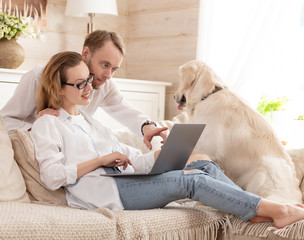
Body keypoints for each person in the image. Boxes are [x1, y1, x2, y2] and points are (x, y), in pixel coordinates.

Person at [29, 51, 304, 229]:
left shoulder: (90, 122)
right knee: (192, 181)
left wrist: (159, 156)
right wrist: (100, 160)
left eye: (88, 80)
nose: (90, 88)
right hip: (104, 193)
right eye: (79, 84)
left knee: (205, 168)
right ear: (58, 87)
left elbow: (131, 159)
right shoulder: (47, 123)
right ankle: (274, 210)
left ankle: (254, 210)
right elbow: (52, 176)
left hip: (124, 181)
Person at [0, 30, 167, 150]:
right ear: (86, 53)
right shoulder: (38, 77)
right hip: (44, 153)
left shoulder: (104, 83)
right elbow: (5, 121)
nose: (108, 75)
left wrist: (148, 126)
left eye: (114, 69)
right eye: (105, 65)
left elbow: (126, 110)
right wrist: (38, 127)